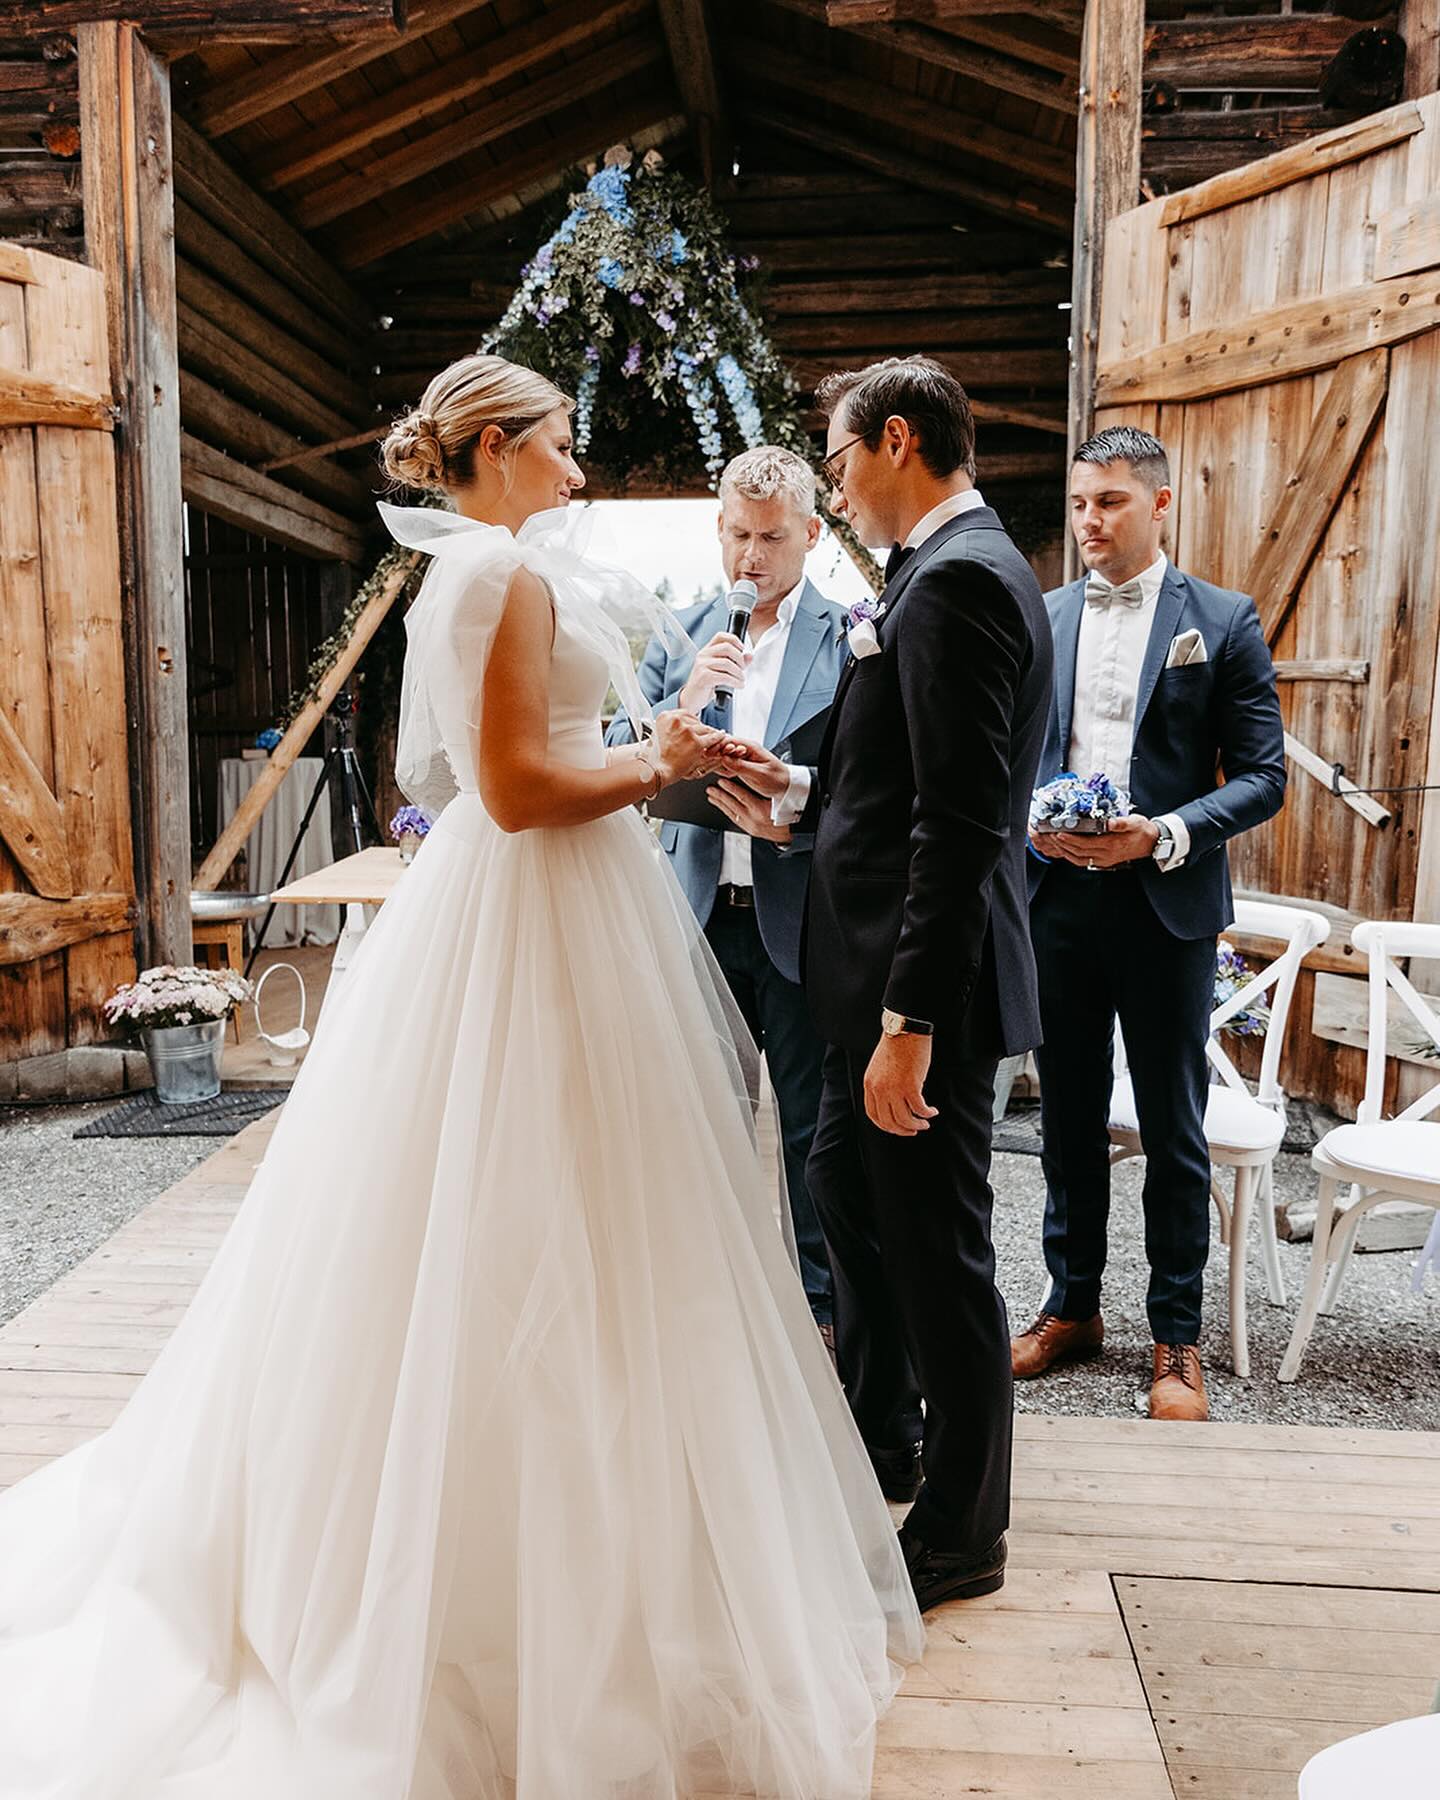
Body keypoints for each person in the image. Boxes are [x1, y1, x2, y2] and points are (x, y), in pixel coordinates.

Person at [0, 354, 922, 1799]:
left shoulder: (472, 568)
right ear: (497, 447)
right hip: (537, 907)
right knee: (536, 1211)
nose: (577, 467)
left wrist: (641, 754)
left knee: (565, 1218)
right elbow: (504, 789)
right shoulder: (498, 575)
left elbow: (477, 775)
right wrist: (653, 759)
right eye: (558, 445)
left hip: (538, 906)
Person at [717, 356, 1053, 1612]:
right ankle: (883, 1440)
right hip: (872, 976)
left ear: (897, 441)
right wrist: (801, 810)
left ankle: (965, 1531)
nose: (840, 485)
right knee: (844, 1194)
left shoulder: (960, 582)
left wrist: (907, 1027)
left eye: (843, 459)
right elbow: (904, 788)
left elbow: (963, 831)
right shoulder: (925, 574)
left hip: (930, 997)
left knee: (939, 1252)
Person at [1020, 425, 1285, 1422]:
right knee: (1069, 1122)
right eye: (1082, 503)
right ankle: (1070, 1308)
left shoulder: (1219, 620)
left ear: (1160, 504)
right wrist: (1038, 822)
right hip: (1059, 903)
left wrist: (1164, 832)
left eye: (1112, 503)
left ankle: (1177, 1341)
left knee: (1174, 1129)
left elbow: (1263, 778)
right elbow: (1014, 756)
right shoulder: (1042, 617)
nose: (1091, 520)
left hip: (1167, 905)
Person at [605, 445, 847, 1345]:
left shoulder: (850, 632)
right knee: (697, 1122)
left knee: (809, 1129)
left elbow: (857, 773)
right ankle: (707, 1312)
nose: (753, 555)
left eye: (773, 537)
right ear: (718, 530)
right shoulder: (680, 631)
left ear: (812, 536)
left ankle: (820, 1313)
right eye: (739, 534)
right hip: (698, 913)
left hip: (797, 917)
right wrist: (691, 700)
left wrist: (790, 784)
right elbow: (634, 755)